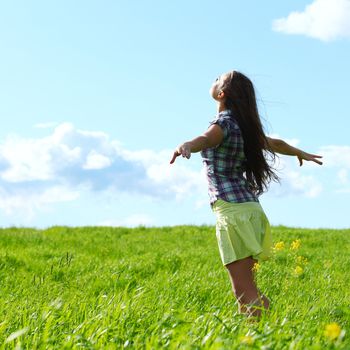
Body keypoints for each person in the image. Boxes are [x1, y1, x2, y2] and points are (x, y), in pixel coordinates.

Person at [169, 70, 323, 319]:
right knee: (245, 288)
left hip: (232, 211)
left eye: (217, 79)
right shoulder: (245, 127)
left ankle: (267, 334)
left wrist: (187, 145)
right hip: (250, 210)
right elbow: (277, 144)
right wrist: (299, 152)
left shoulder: (223, 125)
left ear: (222, 94)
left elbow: (205, 140)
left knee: (244, 291)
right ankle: (248, 337)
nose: (213, 79)